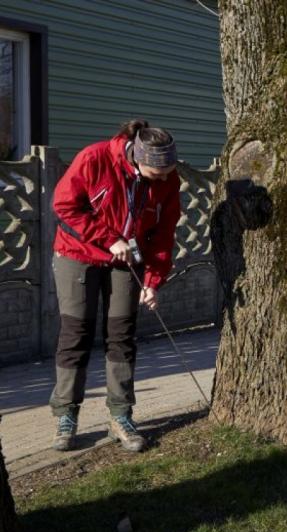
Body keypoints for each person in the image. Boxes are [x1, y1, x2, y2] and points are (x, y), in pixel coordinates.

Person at [50, 119, 182, 453]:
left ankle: (121, 416)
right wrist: (110, 239)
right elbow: (63, 206)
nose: (165, 179)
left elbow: (164, 234)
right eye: (159, 173)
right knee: (75, 334)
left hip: (128, 260)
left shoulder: (167, 180)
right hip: (77, 253)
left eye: (169, 172)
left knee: (122, 334)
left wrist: (153, 280)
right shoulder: (94, 158)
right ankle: (66, 416)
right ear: (138, 159)